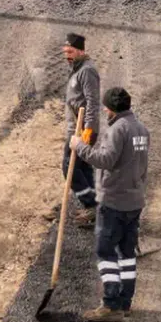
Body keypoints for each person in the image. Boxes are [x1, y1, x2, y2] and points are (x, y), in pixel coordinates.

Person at [70, 86, 150, 322]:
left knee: (105, 251)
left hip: (114, 202)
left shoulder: (118, 130)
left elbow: (105, 160)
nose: (104, 110)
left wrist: (79, 146)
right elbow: (142, 165)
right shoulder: (142, 130)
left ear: (112, 109)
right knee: (126, 254)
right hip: (134, 201)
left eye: (106, 107)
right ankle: (125, 303)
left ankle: (111, 304)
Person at [63, 32, 101, 224]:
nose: (67, 55)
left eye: (70, 51)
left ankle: (90, 205)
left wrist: (89, 129)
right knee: (83, 168)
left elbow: (93, 102)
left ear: (79, 50)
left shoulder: (87, 70)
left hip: (82, 130)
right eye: (65, 51)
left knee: (69, 167)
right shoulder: (77, 69)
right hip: (74, 128)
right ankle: (94, 205)